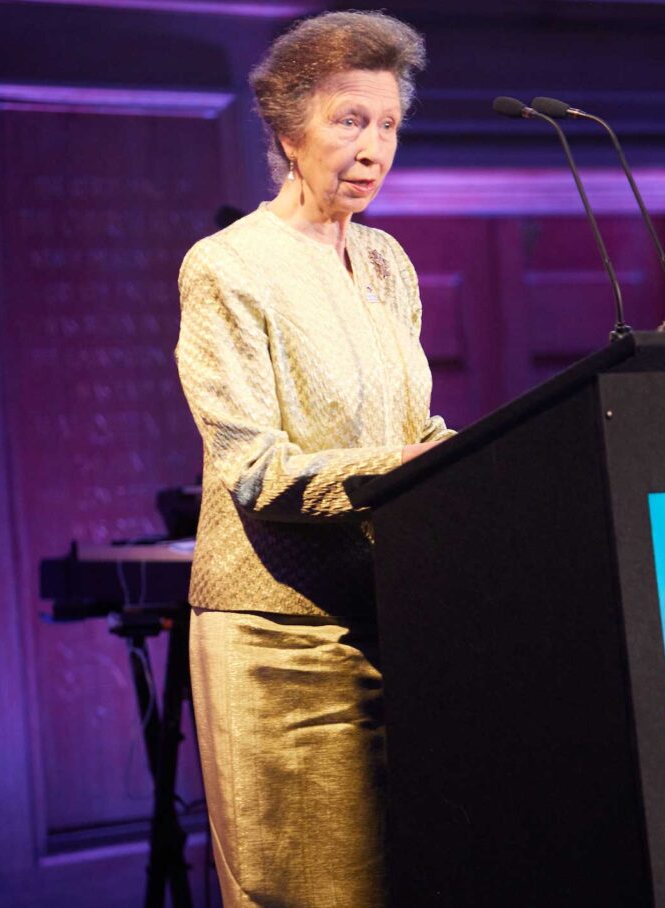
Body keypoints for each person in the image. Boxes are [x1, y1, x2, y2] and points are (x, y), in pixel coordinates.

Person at [174, 11, 452, 907]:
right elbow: (251, 468)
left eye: (389, 126)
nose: (373, 148)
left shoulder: (387, 262)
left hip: (397, 624)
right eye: (349, 121)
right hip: (279, 641)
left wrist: (474, 457)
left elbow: (417, 423)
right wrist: (404, 468)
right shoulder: (229, 267)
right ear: (289, 131)